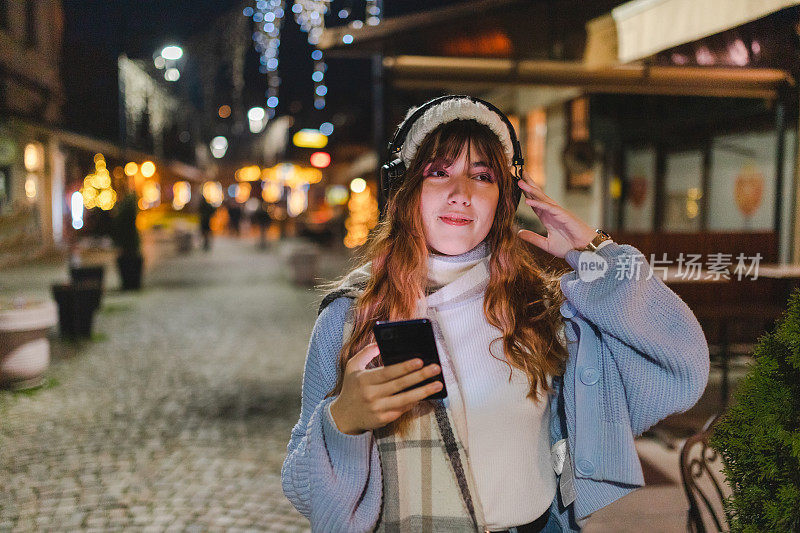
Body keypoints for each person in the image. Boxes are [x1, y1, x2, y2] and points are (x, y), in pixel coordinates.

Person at [282, 96, 709, 532]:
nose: (461, 194)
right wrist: (344, 421)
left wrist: (598, 256)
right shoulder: (352, 316)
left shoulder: (538, 309)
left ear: (503, 199)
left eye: (482, 176)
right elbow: (302, 487)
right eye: (439, 172)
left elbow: (680, 368)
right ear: (406, 189)